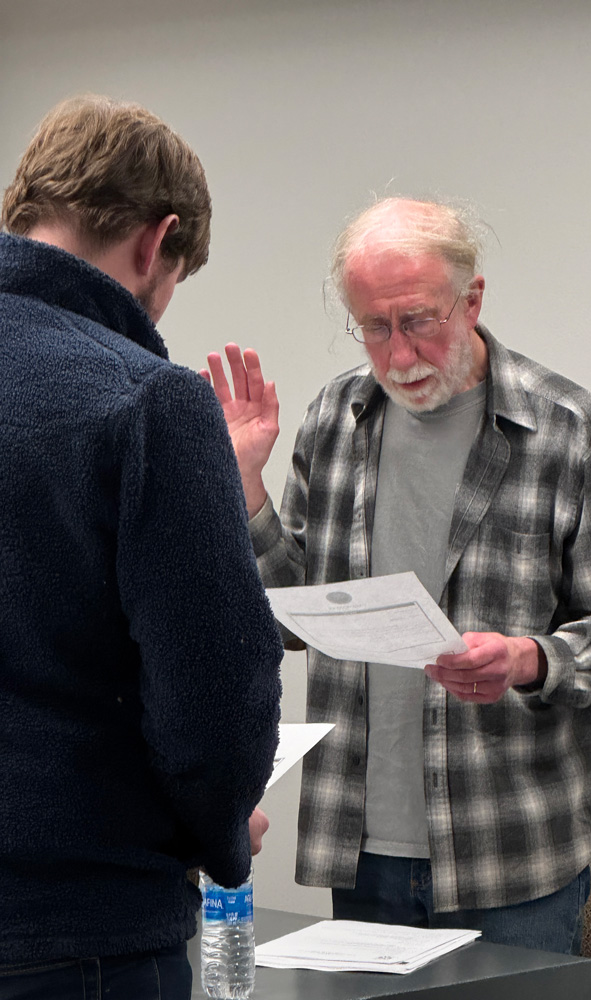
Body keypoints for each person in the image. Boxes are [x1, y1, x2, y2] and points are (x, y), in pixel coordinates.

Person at [204, 196, 591, 956]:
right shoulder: (336, 419)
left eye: (417, 320)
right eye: (374, 327)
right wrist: (247, 487)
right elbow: (291, 619)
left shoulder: (566, 428)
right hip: (363, 842)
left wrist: (529, 659)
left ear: (472, 299)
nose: (397, 354)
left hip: (511, 849)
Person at [0, 96, 283, 999]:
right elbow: (214, 692)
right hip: (74, 929)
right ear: (156, 244)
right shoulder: (146, 400)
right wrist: (223, 831)